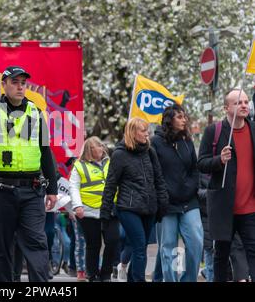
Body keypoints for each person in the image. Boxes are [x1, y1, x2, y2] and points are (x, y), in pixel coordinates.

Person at [0, 66, 58, 282]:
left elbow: (46, 152)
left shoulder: (36, 113)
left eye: (23, 83)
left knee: (36, 243)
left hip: (32, 189)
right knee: (1, 248)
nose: (20, 87)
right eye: (15, 82)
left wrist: (53, 189)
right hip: (1, 191)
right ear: (4, 84)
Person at [101, 117, 169, 282]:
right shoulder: (119, 154)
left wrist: (163, 204)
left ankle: (132, 278)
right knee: (139, 248)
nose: (147, 133)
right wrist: (105, 212)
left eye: (147, 130)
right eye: (143, 130)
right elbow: (111, 184)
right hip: (128, 208)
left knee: (142, 247)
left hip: (149, 208)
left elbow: (158, 180)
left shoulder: (150, 152)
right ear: (132, 132)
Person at [198, 89, 255, 282]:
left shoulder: (253, 128)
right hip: (224, 206)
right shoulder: (213, 131)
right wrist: (219, 160)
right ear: (226, 108)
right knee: (221, 255)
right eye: (239, 102)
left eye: (246, 102)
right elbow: (201, 163)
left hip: (250, 207)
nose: (244, 105)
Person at [151, 104, 203, 282]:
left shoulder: (187, 141)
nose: (184, 120)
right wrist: (164, 194)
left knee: (196, 242)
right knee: (168, 248)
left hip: (189, 201)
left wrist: (190, 187)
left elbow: (194, 169)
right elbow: (154, 173)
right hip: (166, 204)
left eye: (184, 117)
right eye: (179, 117)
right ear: (169, 120)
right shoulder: (155, 142)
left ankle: (188, 279)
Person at [69, 136, 120, 282]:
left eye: (102, 145)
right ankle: (92, 275)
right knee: (93, 245)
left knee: (113, 240)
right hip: (89, 211)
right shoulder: (79, 166)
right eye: (98, 146)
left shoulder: (110, 162)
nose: (102, 148)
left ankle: (105, 273)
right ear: (90, 150)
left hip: (110, 209)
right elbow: (74, 187)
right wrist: (77, 205)